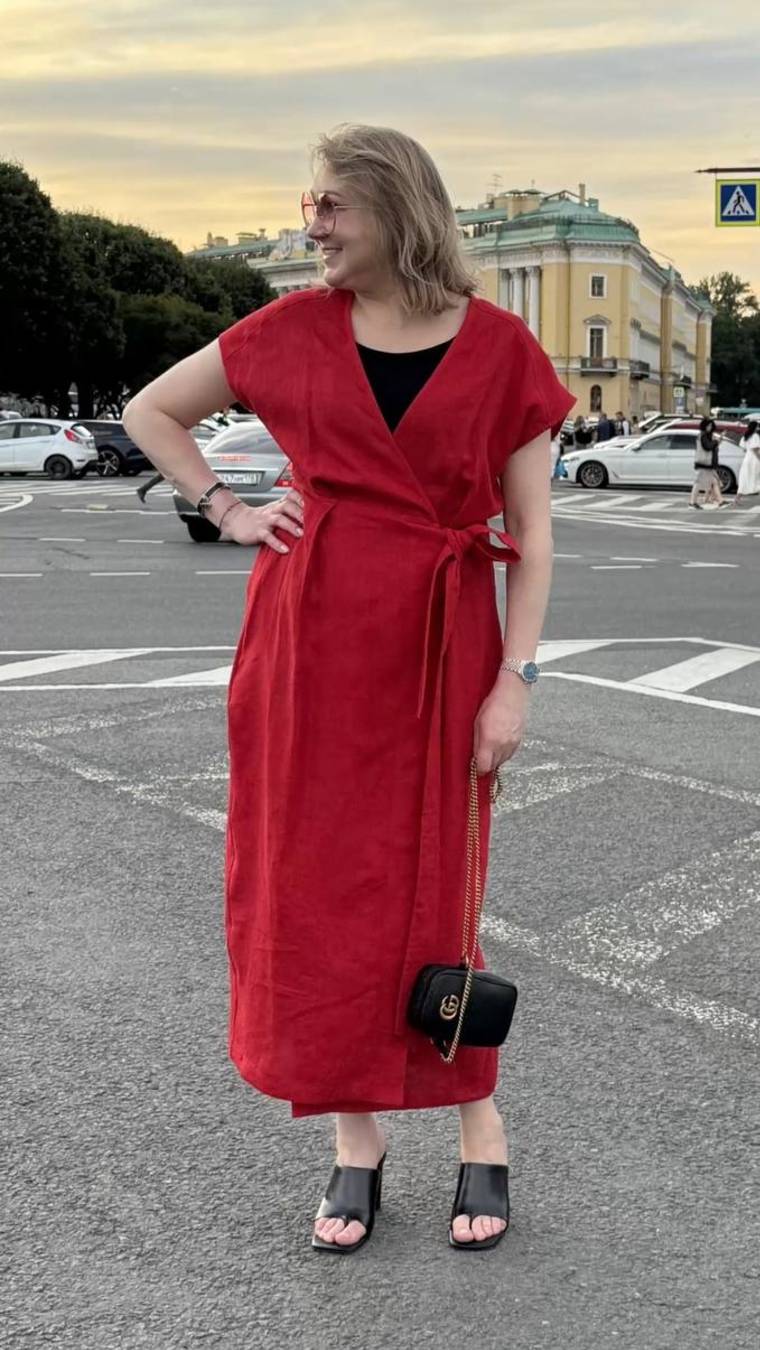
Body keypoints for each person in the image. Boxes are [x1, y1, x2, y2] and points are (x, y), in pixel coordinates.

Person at [122, 123, 575, 1256]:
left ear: (395, 206)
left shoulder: (502, 349)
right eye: (309, 204)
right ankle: (353, 1141)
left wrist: (514, 682)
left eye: (330, 204)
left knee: (438, 893)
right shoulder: (290, 329)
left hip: (444, 652)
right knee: (316, 893)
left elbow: (532, 538)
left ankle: (479, 1121)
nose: (311, 225)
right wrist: (227, 507)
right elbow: (150, 410)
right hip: (306, 651)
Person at [691, 417, 723, 509]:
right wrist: (716, 441)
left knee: (713, 482)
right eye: (708, 426)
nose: (710, 427)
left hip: (706, 463)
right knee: (698, 483)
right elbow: (708, 447)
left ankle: (720, 501)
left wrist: (716, 442)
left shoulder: (706, 435)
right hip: (703, 463)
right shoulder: (703, 435)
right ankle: (692, 502)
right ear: (704, 426)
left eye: (711, 426)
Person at [734, 419, 760, 506]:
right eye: (757, 426)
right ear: (755, 427)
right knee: (756, 478)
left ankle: (737, 498)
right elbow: (755, 450)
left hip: (747, 458)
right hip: (754, 459)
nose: (758, 428)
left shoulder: (745, 436)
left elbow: (744, 449)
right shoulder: (755, 436)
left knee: (745, 478)